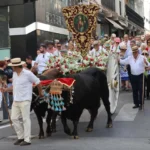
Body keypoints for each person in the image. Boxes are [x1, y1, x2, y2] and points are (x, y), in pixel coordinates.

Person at [3, 58, 43, 146]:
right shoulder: (14, 74)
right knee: (14, 118)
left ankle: (27, 139)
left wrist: (40, 93)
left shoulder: (28, 74)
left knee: (25, 119)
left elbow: (38, 82)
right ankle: (21, 137)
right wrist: (6, 89)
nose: (12, 68)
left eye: (13, 66)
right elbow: (14, 86)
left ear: (16, 66)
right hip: (16, 99)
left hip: (25, 99)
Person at [119, 46, 148, 110]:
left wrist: (146, 63)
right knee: (134, 90)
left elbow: (148, 64)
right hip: (133, 76)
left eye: (135, 52)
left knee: (141, 90)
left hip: (140, 75)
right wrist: (118, 59)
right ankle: (136, 103)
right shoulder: (130, 58)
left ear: (137, 52)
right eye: (133, 52)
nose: (134, 54)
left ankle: (141, 103)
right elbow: (123, 62)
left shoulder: (142, 57)